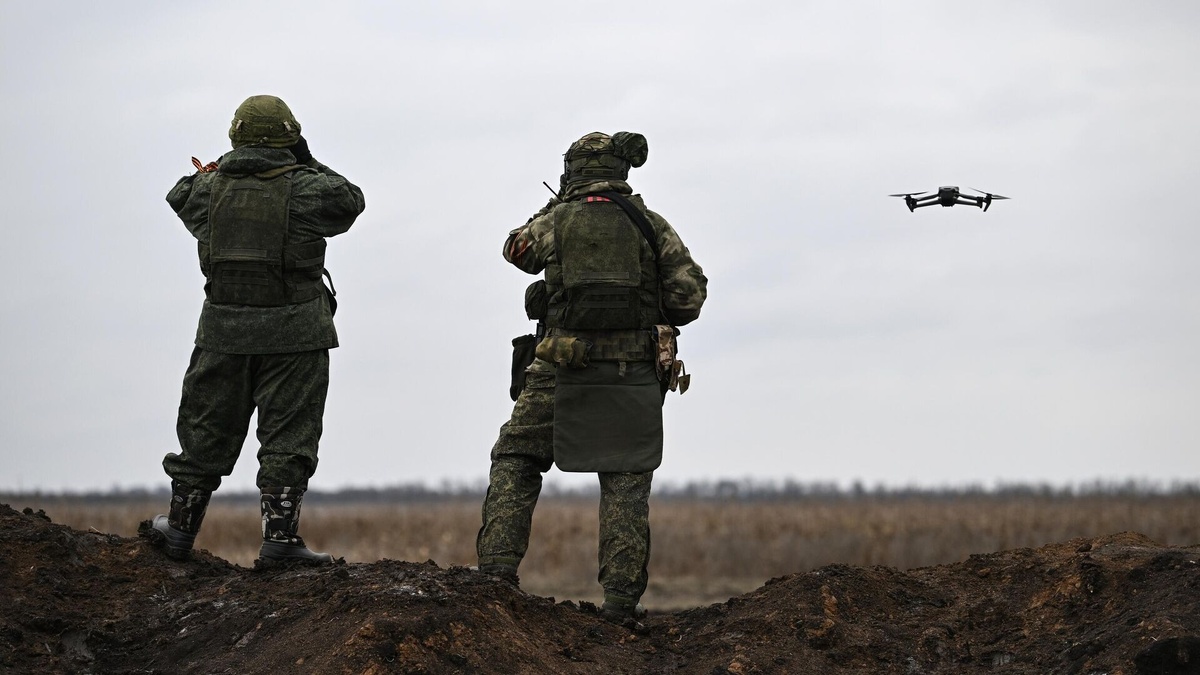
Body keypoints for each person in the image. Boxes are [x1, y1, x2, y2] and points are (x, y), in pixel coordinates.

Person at [476, 131, 707, 619]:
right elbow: (688, 300)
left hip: (559, 367)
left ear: (572, 171)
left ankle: (495, 581)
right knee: (625, 476)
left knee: (516, 457)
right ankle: (621, 605)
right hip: (631, 372)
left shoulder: (556, 220)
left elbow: (515, 251)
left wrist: (551, 209)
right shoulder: (650, 225)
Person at [145, 95, 365, 563]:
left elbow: (178, 194)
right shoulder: (309, 189)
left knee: (204, 432)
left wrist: (227, 165)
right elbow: (350, 200)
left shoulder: (204, 191)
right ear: (290, 137)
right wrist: (303, 157)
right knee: (288, 437)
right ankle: (280, 540)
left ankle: (180, 529)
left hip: (223, 332)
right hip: (296, 335)